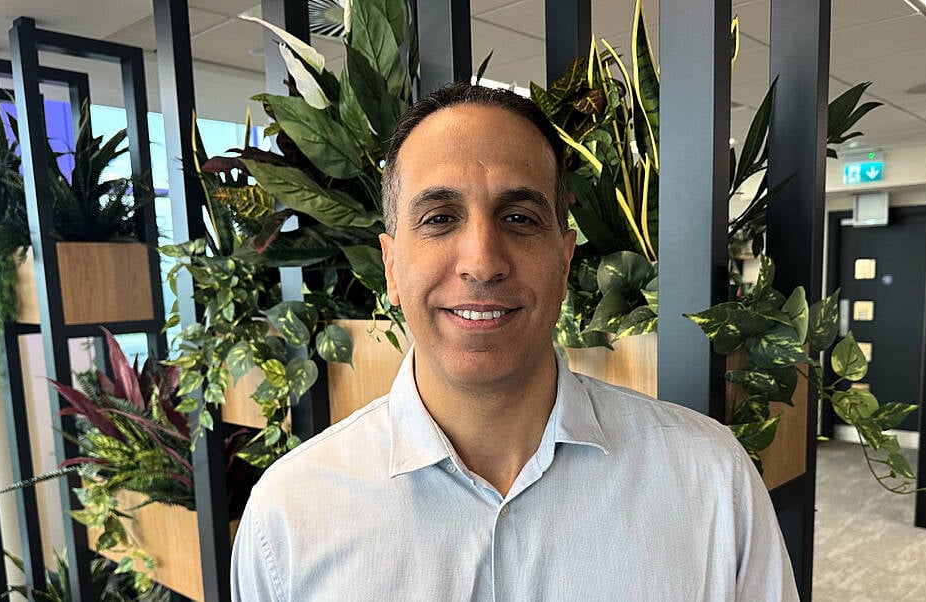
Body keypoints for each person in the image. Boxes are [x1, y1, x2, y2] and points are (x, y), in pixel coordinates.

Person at [231, 82, 798, 601]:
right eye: (439, 218)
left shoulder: (711, 482)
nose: (482, 260)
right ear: (392, 269)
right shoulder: (289, 517)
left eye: (521, 217)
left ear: (564, 258)